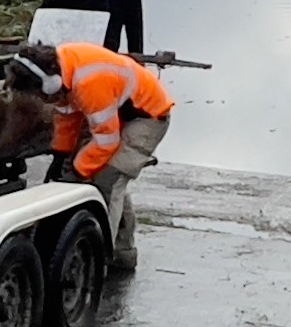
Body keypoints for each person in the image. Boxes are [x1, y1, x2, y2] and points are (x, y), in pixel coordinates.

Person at [18, 38, 175, 273]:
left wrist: (78, 170)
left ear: (50, 83)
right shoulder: (62, 66)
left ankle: (98, 261)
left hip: (147, 117)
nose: (42, 100)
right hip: (120, 112)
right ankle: (123, 252)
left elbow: (106, 141)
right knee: (110, 181)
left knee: (107, 180)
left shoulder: (89, 82)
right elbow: (68, 115)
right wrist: (61, 154)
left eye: (42, 95)